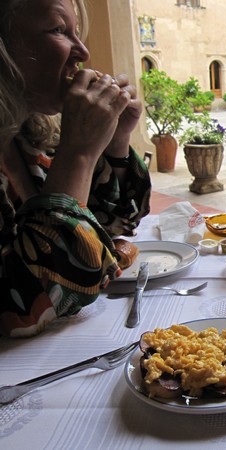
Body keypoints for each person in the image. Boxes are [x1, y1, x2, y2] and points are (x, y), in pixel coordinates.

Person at [0, 0, 151, 337]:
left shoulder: (28, 138)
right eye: (58, 30)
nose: (82, 51)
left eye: (76, 33)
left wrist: (116, 142)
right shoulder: (62, 147)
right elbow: (23, 307)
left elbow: (114, 227)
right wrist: (78, 155)